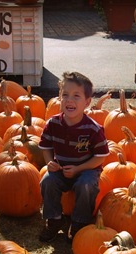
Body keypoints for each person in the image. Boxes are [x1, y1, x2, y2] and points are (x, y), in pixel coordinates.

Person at [38, 71, 109, 243]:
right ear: (60, 98)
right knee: (47, 181)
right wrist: (50, 162)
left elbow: (101, 156)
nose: (70, 100)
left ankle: (79, 222)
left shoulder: (93, 129)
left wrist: (79, 168)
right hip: (61, 168)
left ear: (87, 102)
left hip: (86, 170)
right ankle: (54, 219)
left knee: (86, 185)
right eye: (65, 95)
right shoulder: (53, 124)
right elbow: (45, 146)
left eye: (76, 96)